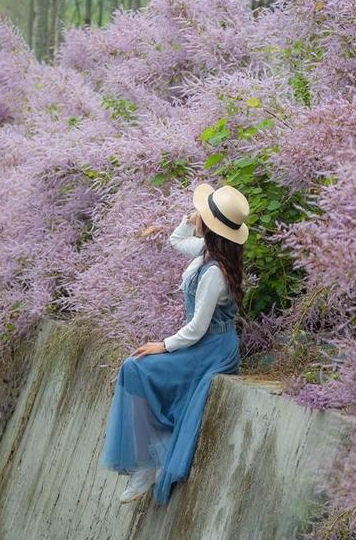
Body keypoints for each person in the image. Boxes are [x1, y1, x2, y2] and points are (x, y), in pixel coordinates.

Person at [100, 182, 249, 505]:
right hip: (203, 345)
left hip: (211, 350)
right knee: (134, 367)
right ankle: (146, 459)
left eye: (204, 216)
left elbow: (197, 328)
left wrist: (162, 345)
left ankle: (146, 464)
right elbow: (176, 239)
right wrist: (191, 215)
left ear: (211, 227)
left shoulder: (215, 273)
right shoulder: (207, 252)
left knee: (136, 367)